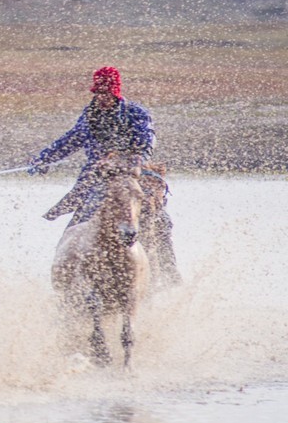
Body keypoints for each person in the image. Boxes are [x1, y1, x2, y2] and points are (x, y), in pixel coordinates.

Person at [29, 66, 181, 283]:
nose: (101, 98)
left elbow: (147, 142)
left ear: (116, 93)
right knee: (77, 222)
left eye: (106, 93)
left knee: (160, 220)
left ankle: (167, 271)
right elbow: (70, 141)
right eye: (98, 93)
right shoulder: (89, 115)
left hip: (131, 174)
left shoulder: (135, 113)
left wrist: (122, 158)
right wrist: (44, 159)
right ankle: (66, 275)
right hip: (96, 178)